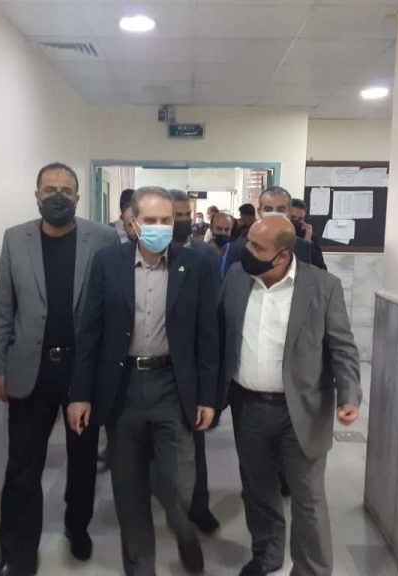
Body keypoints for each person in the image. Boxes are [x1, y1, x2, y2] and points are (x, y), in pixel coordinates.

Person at [68, 187, 219, 576]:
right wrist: (80, 394)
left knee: (177, 483)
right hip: (123, 389)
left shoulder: (195, 265)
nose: (159, 227)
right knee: (129, 488)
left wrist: (208, 397)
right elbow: (90, 332)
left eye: (166, 220)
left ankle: (183, 528)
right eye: (150, 220)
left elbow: (207, 335)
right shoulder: (108, 263)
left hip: (173, 387)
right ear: (132, 223)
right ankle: (140, 567)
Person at [0, 162, 119, 576]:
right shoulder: (16, 239)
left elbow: (112, 306)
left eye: (66, 190)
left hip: (83, 372)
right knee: (23, 466)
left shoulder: (102, 238)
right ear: (37, 196)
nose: (57, 197)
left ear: (78, 197)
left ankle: (76, 526)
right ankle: (18, 550)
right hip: (31, 369)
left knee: (82, 459)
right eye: (50, 190)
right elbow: (3, 309)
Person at [218, 217, 361, 576]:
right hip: (248, 406)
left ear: (282, 255)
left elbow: (342, 347)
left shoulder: (323, 286)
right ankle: (267, 554)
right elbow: (219, 333)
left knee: (308, 497)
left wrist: (349, 395)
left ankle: (311, 569)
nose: (246, 250)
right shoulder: (236, 277)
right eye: (248, 242)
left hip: (303, 409)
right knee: (258, 490)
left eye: (256, 247)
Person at [170, 189, 221, 534]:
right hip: (154, 364)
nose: (182, 221)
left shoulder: (204, 254)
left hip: (189, 366)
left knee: (193, 443)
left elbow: (211, 317)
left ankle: (198, 505)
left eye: (186, 214)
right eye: (176, 215)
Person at [224, 187, 327, 272]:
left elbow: (314, 277)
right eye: (268, 209)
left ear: (289, 212)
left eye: (280, 209)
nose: (274, 213)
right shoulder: (238, 248)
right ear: (259, 211)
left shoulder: (303, 247)